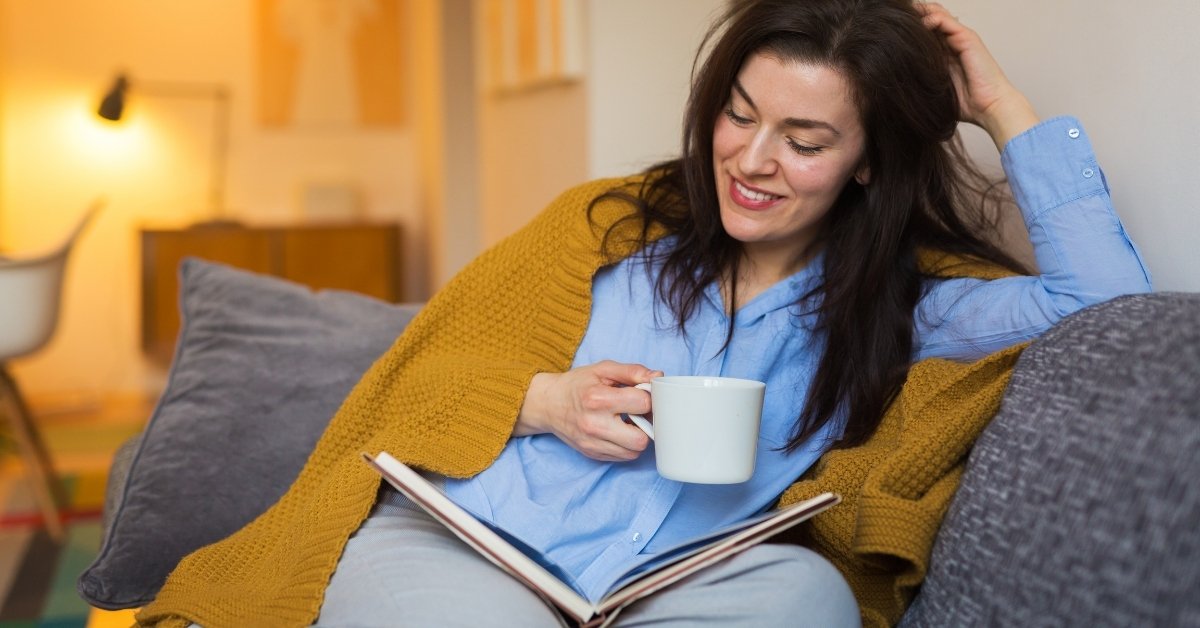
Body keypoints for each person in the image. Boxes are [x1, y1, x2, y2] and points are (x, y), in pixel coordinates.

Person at [140, 1, 1151, 626]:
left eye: (804, 140)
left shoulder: (908, 305)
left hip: (689, 583)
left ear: (868, 162)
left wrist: (1003, 106)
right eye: (739, 115)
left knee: (810, 601)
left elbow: (1106, 306)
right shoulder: (606, 228)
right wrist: (544, 399)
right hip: (469, 544)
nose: (752, 160)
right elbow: (421, 375)